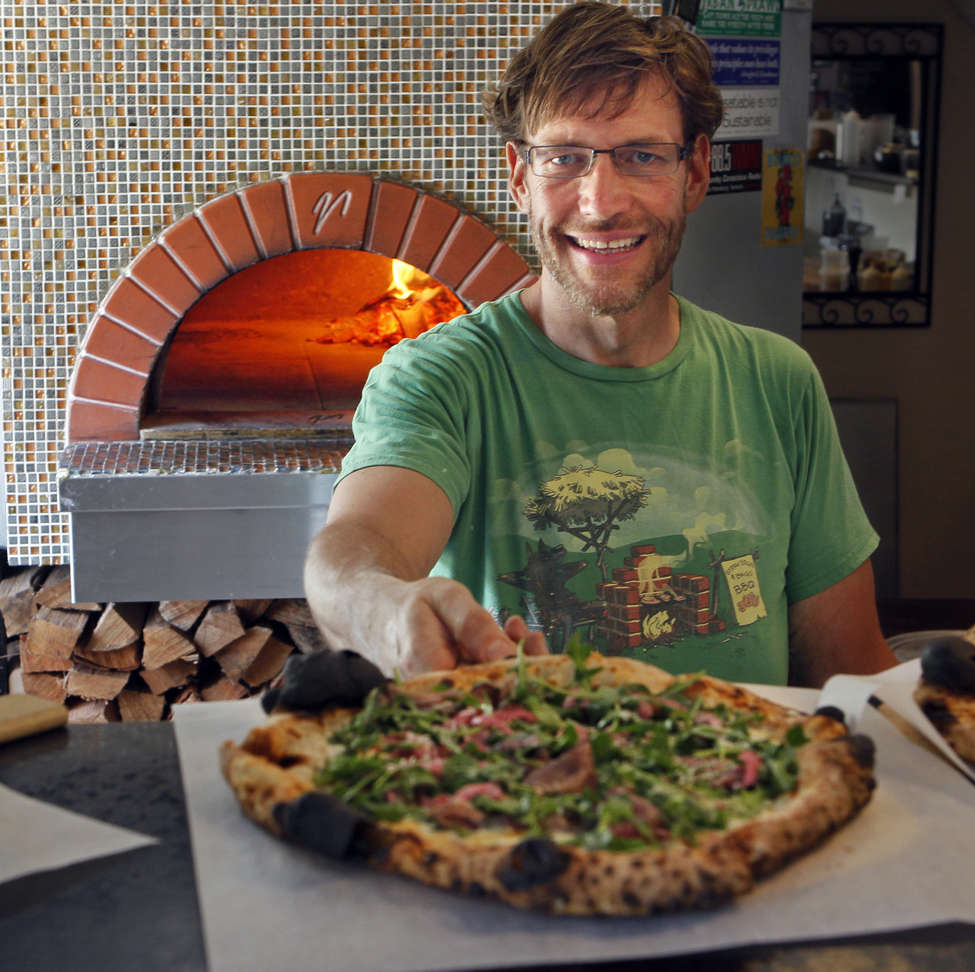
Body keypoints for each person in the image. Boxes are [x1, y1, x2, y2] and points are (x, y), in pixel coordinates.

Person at [304, 1, 897, 688]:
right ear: (521, 178)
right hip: (522, 787)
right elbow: (356, 551)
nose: (600, 201)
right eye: (564, 158)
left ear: (695, 172)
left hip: (748, 783)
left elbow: (853, 668)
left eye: (641, 156)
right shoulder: (440, 379)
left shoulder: (777, 379)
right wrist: (384, 608)